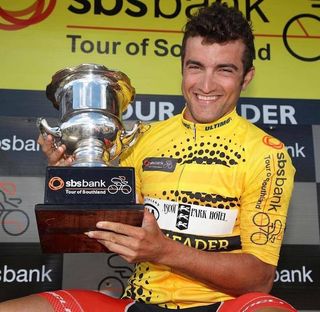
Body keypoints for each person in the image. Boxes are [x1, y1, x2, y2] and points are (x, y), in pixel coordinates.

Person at [0, 3, 297, 312]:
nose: (206, 85)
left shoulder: (266, 154)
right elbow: (96, 227)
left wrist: (164, 251)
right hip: (140, 304)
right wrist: (73, 183)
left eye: (224, 70)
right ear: (182, 67)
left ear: (246, 77)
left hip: (224, 306)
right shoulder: (143, 139)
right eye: (196, 67)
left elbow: (260, 279)